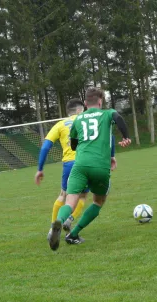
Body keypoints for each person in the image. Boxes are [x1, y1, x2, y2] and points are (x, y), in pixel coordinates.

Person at [48, 87, 131, 250]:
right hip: (100, 165)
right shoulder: (107, 113)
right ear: (100, 102)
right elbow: (119, 118)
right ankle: (73, 234)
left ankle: (58, 221)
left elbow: (73, 144)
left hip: (79, 165)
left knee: (71, 201)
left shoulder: (78, 120)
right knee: (98, 201)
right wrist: (126, 137)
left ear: (85, 104)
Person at [35, 99, 89, 233]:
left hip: (69, 163)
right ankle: (69, 220)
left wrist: (40, 169)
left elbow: (45, 147)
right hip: (85, 162)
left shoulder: (60, 125)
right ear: (78, 110)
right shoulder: (86, 121)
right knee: (81, 196)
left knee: (63, 195)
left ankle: (53, 226)